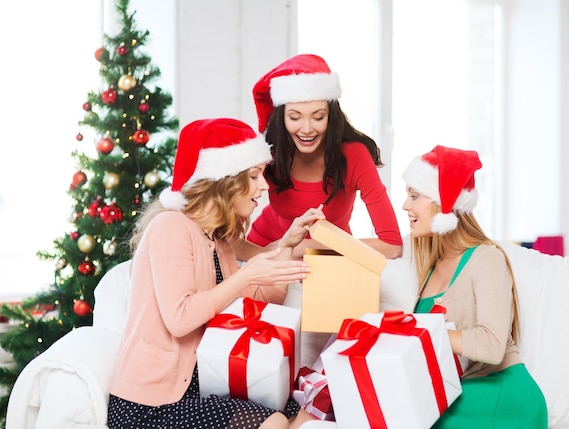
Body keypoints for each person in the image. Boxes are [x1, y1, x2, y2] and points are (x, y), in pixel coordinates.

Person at [107, 118, 323, 429]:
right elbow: (179, 319)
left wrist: (287, 245)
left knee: (299, 405)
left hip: (201, 385)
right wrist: (244, 277)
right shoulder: (171, 227)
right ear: (225, 181)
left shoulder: (218, 239)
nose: (264, 186)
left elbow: (263, 303)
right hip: (147, 405)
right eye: (253, 176)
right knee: (274, 421)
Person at [401, 145, 548, 428]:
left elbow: (492, 347)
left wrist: (419, 330)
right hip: (460, 392)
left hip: (502, 395)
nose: (405, 206)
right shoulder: (428, 265)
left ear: (441, 202)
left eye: (414, 196)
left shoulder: (485, 258)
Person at [237, 53, 402, 260]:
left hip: (328, 257)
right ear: (282, 118)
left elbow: (392, 245)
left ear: (331, 116)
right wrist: (274, 253)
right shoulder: (269, 151)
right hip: (266, 247)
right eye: (295, 117)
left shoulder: (354, 156)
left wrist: (299, 247)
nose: (307, 129)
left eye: (318, 117)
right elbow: (224, 235)